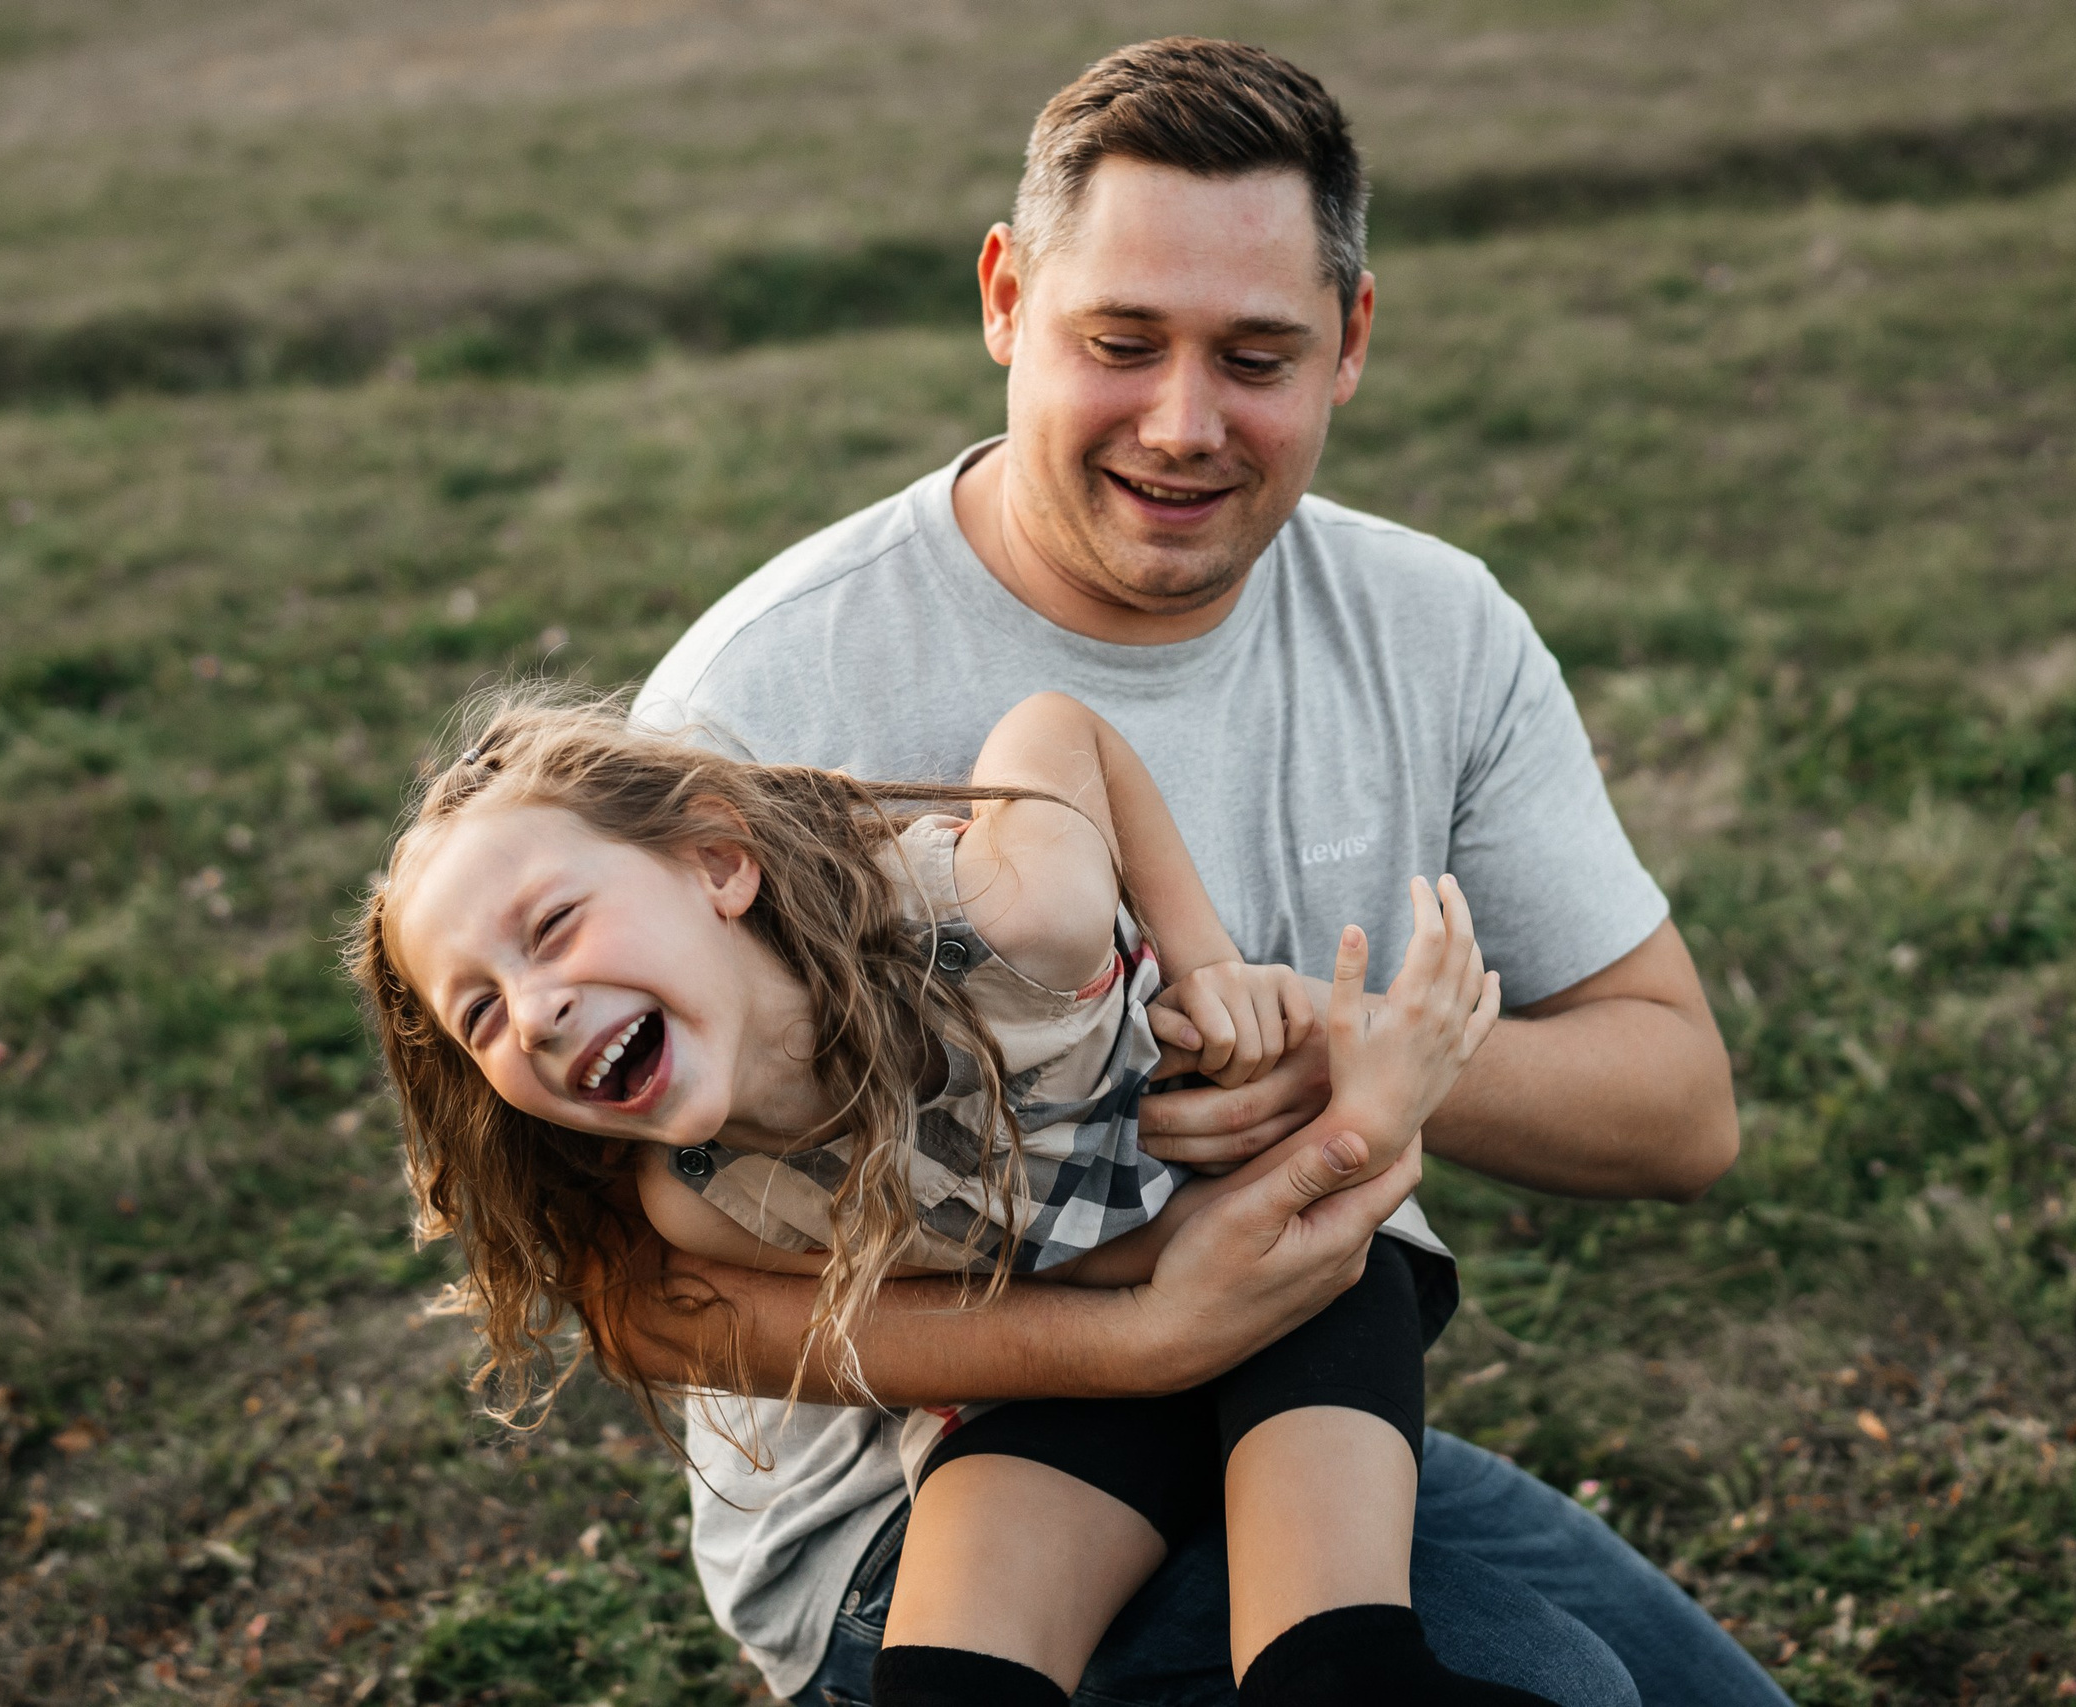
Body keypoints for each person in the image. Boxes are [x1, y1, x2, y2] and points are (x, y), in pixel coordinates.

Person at [625, 34, 1794, 1707]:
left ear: (1354, 341)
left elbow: (1680, 1108)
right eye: (1121, 343)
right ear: (1005, 300)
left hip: (1276, 1400)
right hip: (906, 1515)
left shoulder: (1432, 627)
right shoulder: (763, 701)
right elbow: (638, 1280)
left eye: (1257, 356)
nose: (1184, 425)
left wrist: (1340, 1051)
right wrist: (1128, 1336)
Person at [355, 684, 1518, 1705]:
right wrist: (1151, 1310)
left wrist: (1215, 969)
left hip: (1288, 1288)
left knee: (1333, 1662)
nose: (537, 1006)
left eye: (552, 927)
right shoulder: (710, 1201)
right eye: (482, 1014)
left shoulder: (1011, 919)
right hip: (1064, 1353)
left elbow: (1063, 729)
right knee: (950, 1681)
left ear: (717, 862)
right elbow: (998, 1294)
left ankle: (1334, 1661)